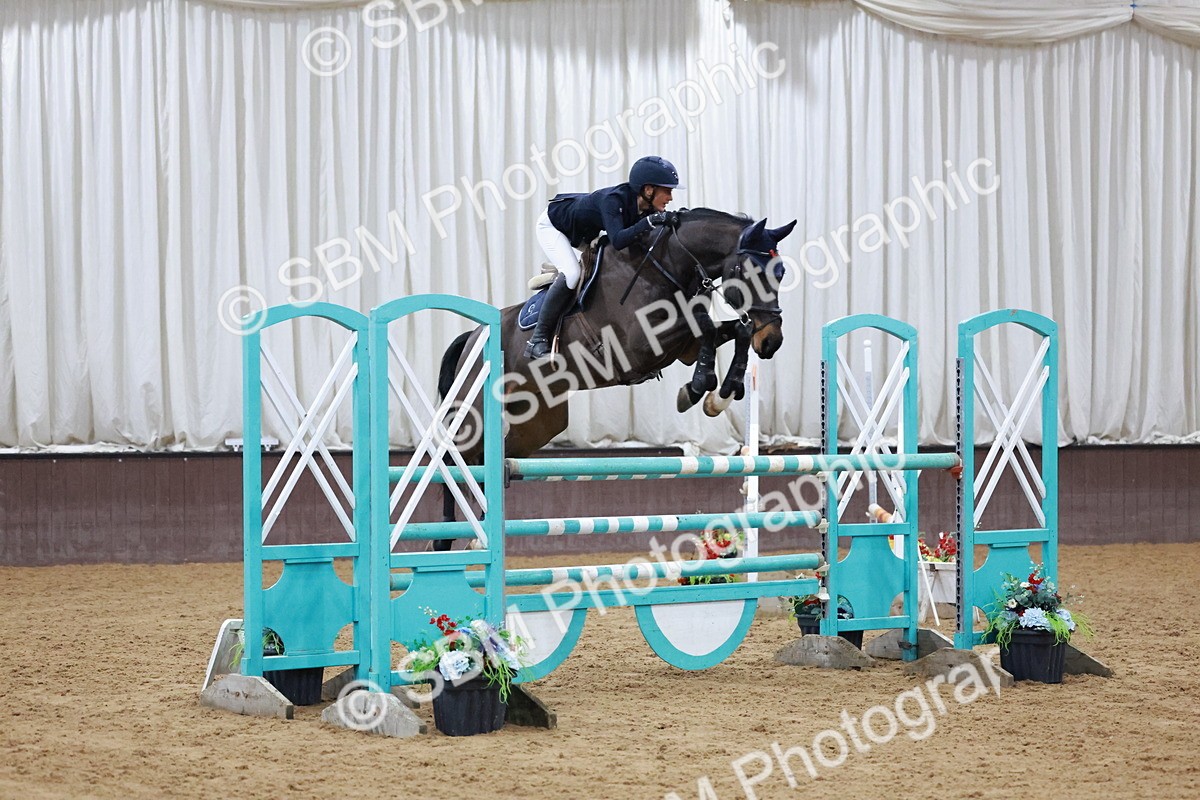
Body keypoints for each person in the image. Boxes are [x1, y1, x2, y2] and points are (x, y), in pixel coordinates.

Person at [525, 156, 682, 360]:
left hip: (585, 232)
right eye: (667, 191)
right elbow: (618, 240)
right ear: (649, 190)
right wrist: (651, 221)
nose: (670, 198)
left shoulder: (646, 207)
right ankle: (537, 339)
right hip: (554, 226)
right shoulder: (613, 200)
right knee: (572, 274)